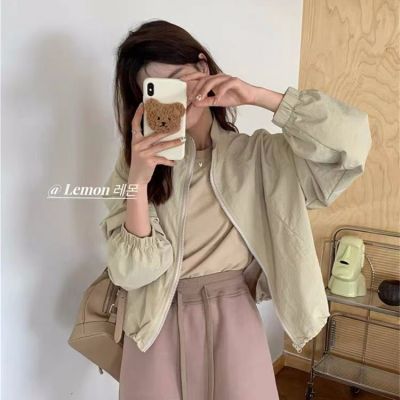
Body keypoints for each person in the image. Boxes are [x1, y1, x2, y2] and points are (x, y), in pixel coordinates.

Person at [100, 18, 372, 400]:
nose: (177, 99)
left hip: (233, 319)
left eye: (180, 79)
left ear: (203, 67)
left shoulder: (260, 156)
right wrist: (139, 183)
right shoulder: (134, 166)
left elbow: (352, 143)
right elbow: (131, 273)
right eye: (158, 90)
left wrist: (260, 96)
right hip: (153, 323)